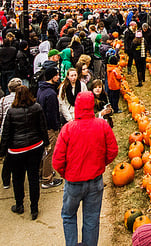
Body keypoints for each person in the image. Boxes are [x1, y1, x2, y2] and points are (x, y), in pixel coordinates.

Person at [52, 91, 118, 246]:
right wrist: (101, 164)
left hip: (73, 182)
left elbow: (57, 160)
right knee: (92, 218)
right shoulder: (102, 125)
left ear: (77, 106)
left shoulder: (68, 129)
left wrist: (65, 173)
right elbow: (113, 150)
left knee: (69, 216)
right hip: (95, 181)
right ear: (92, 105)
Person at [0, 85, 49, 220]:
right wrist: (46, 143)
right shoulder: (37, 108)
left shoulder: (11, 112)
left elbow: (6, 133)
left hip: (17, 150)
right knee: (33, 178)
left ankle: (19, 204)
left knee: (18, 178)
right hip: (34, 147)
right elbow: (42, 127)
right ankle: (34, 208)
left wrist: (2, 151)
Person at [36, 66, 63, 189]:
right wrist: (56, 127)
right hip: (50, 127)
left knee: (44, 151)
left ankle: (42, 172)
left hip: (42, 126)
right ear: (52, 77)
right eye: (56, 75)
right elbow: (52, 114)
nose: (58, 76)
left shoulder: (41, 89)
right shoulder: (51, 94)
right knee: (49, 152)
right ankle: (47, 179)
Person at [0, 77, 23, 189]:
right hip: (18, 130)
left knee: (7, 157)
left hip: (5, 131)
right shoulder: (23, 99)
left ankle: (5, 180)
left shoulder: (3, 100)